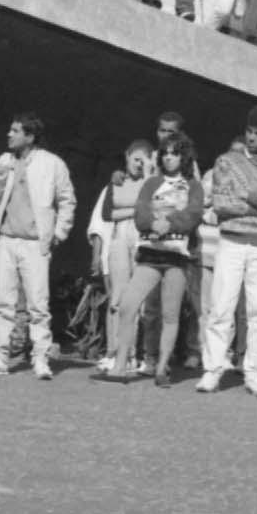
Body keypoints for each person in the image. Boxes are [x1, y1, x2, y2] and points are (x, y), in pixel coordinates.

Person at [195, 112, 257, 394]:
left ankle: (253, 370)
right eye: (250, 131)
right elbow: (222, 202)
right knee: (221, 305)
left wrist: (247, 196)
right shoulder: (226, 161)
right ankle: (213, 369)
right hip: (232, 241)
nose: (252, 138)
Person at [0, 113, 71, 378]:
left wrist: (58, 233)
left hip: (34, 243)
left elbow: (66, 200)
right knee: (4, 302)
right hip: (6, 239)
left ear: (29, 136)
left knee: (38, 304)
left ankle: (40, 357)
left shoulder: (52, 164)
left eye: (15, 131)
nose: (9, 134)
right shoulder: (3, 162)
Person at [118, 134, 203, 384]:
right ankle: (120, 363)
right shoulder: (152, 182)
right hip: (150, 252)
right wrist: (154, 222)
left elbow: (194, 212)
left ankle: (162, 366)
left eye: (174, 153)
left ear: (183, 156)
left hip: (176, 256)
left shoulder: (193, 185)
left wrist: (171, 222)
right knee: (128, 305)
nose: (169, 158)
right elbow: (140, 210)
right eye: (165, 153)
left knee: (170, 313)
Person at [82, 138, 147, 375]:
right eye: (135, 158)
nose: (139, 164)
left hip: (140, 242)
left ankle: (129, 354)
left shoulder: (150, 184)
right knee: (117, 298)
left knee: (135, 301)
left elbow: (149, 209)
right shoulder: (115, 183)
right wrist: (135, 209)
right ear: (127, 156)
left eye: (144, 160)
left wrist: (135, 208)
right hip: (119, 241)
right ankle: (112, 351)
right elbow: (108, 214)